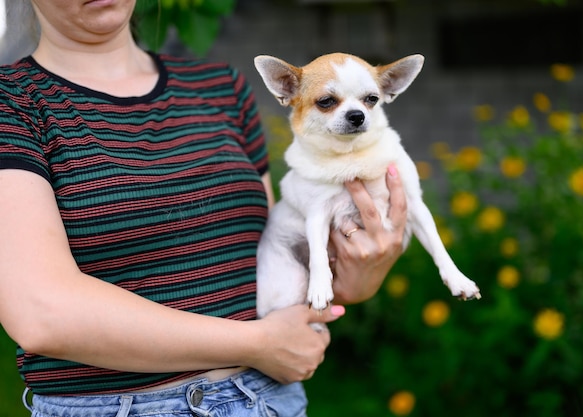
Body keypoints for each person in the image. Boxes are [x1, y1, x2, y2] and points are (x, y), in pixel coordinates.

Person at [0, 1, 407, 416]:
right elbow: (41, 313)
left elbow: (275, 259)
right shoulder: (12, 103)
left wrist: (361, 274)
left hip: (266, 399)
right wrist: (258, 344)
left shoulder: (221, 88)